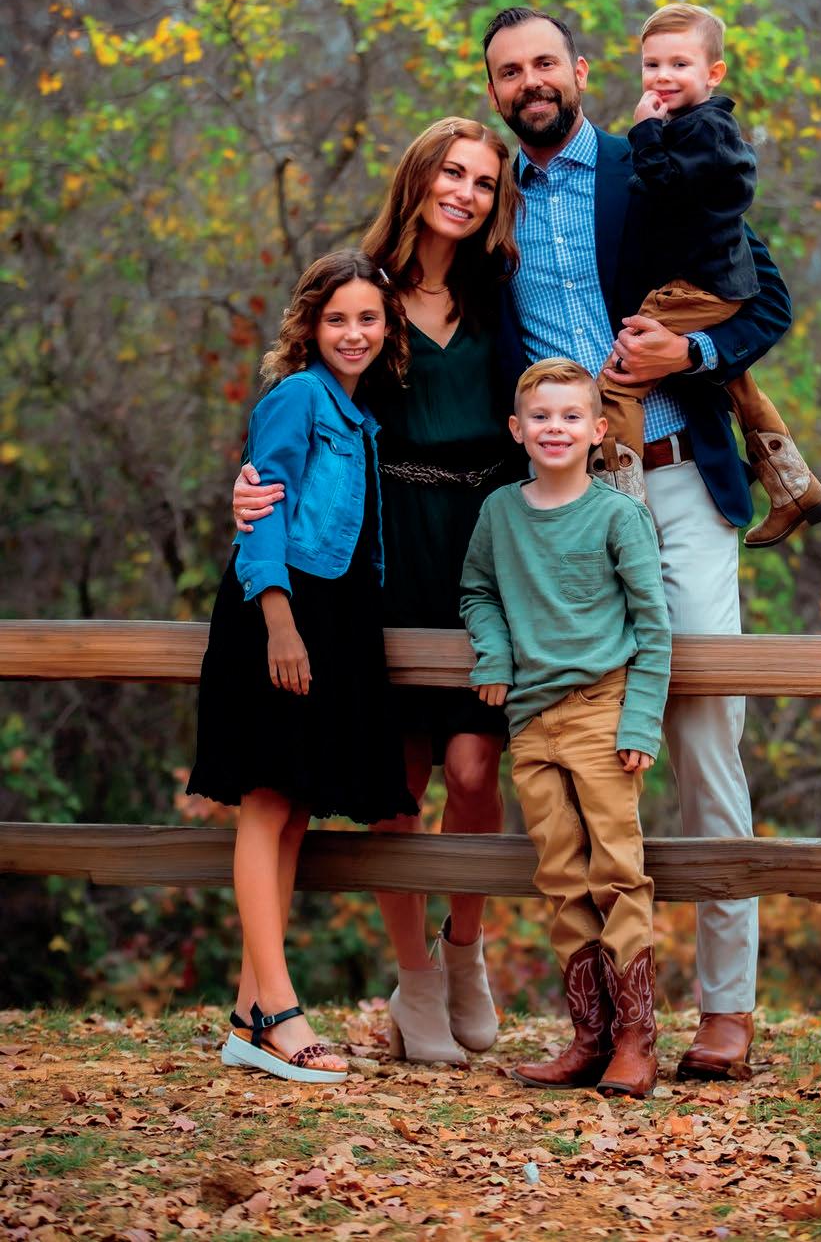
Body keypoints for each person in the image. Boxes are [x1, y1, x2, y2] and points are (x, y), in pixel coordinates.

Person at [482, 5, 792, 1082]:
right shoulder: (489, 202)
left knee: (705, 734)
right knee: (573, 758)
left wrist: (689, 353)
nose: (530, 81)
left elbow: (766, 300)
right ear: (495, 90)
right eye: (509, 71)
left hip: (674, 481)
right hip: (567, 510)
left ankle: (727, 1009)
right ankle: (606, 1021)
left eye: (545, 62)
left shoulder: (647, 162)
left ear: (579, 70)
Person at [232, 118, 522, 1067]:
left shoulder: (502, 293)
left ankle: (465, 951)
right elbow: (297, 410)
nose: (464, 192)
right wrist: (250, 490)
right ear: (418, 179)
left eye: (484, 180)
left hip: (480, 542)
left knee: (474, 769)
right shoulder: (366, 294)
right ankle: (415, 980)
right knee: (395, 782)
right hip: (382, 547)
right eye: (451, 172)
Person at [189, 249, 417, 1085]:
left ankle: (250, 1013)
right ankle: (281, 1012)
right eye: (337, 318)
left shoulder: (356, 412)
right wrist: (280, 624)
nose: (353, 333)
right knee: (265, 803)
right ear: (310, 326)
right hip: (281, 611)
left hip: (337, 614)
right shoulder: (296, 397)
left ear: (387, 326)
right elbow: (263, 514)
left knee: (292, 813)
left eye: (368, 318)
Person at [461, 359, 670, 1098]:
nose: (556, 428)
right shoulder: (500, 512)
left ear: (598, 430)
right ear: (517, 429)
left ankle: (636, 1039)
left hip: (602, 712)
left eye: (571, 416)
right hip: (530, 720)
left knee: (616, 870)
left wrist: (641, 719)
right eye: (541, 417)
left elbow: (653, 624)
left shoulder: (618, 516)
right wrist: (493, 653)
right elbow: (478, 591)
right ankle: (589, 1037)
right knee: (558, 875)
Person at [593, 1, 821, 546]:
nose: (663, 76)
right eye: (652, 65)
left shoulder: (704, 130)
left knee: (619, 381)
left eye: (679, 64)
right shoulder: (697, 128)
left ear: (714, 73)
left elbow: (667, 189)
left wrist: (643, 132)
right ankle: (795, 488)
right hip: (716, 282)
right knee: (733, 377)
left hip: (698, 287)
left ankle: (624, 517)